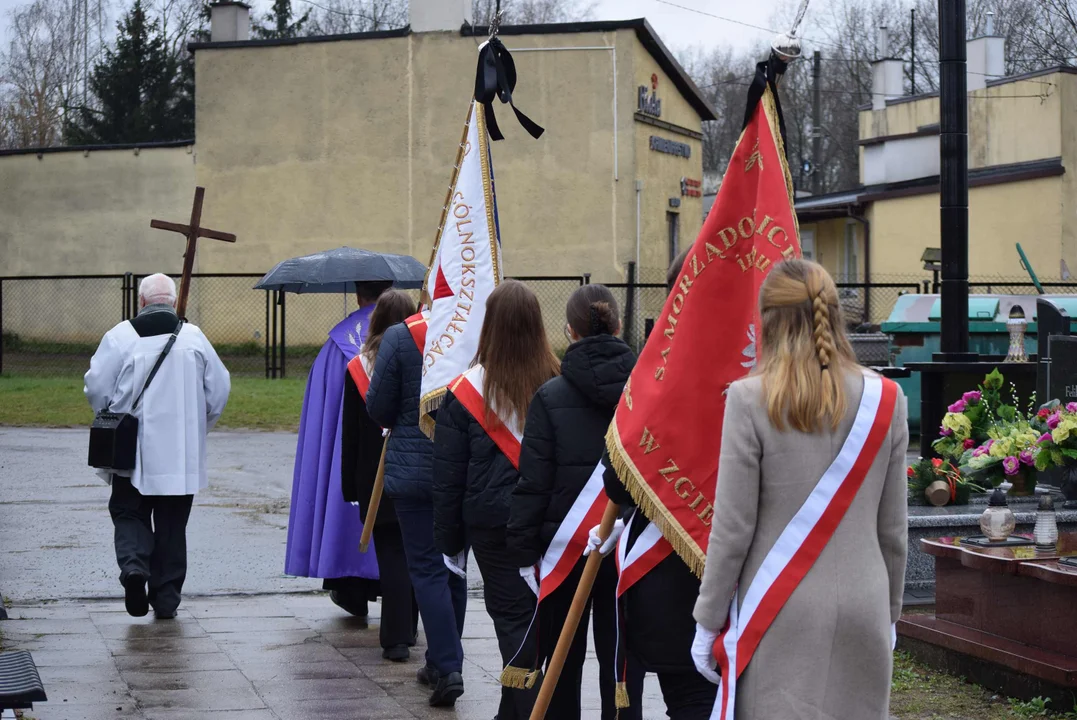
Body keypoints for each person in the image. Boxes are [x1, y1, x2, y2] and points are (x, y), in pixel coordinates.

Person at [692, 259, 908, 719]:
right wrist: (890, 610)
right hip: (865, 600)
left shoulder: (749, 398)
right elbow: (892, 531)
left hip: (779, 607)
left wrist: (708, 620)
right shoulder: (888, 398)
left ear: (766, 319)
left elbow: (732, 528)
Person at [507, 284, 642, 720]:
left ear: (569, 331)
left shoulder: (549, 397)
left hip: (564, 549)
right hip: (628, 549)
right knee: (620, 665)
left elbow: (534, 482)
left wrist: (524, 550)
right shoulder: (647, 394)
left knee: (563, 663)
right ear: (619, 327)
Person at [595, 249, 718, 719]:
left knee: (689, 700)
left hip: (673, 579)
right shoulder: (782, 376)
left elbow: (619, 479)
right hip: (758, 584)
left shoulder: (658, 374)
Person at [433, 280, 560, 720]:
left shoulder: (464, 392)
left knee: (512, 622)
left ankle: (525, 711)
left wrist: (449, 541)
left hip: (493, 527)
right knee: (536, 620)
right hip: (550, 523)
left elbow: (448, 478)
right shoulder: (558, 381)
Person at [85, 273, 230, 619]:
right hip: (180, 453)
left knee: (129, 512)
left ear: (142, 302)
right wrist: (198, 428)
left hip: (131, 449)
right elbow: (219, 390)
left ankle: (135, 567)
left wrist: (110, 416)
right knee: (171, 525)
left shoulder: (121, 337)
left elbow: (96, 387)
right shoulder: (194, 338)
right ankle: (165, 598)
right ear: (175, 299)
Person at [365, 298, 468, 707]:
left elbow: (377, 406)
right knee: (455, 569)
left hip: (412, 471)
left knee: (426, 570)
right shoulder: (468, 332)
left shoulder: (400, 336)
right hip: (460, 468)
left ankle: (447, 663)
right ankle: (441, 660)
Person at [285, 281, 390, 617]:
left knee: (347, 500)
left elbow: (322, 415)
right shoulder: (417, 339)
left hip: (352, 458)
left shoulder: (338, 345)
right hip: (401, 457)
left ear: (359, 296)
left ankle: (350, 587)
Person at [341, 289, 419, 662]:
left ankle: (396, 638)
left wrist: (349, 484)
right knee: (418, 553)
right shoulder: (428, 359)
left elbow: (351, 433)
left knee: (391, 555)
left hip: (376, 475)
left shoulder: (360, 364)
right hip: (419, 468)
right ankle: (410, 628)